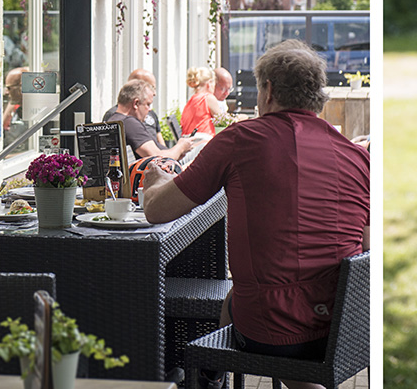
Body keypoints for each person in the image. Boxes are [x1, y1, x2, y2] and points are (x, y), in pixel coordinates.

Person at [142, 40, 369, 389]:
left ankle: (210, 376)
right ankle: (213, 374)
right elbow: (365, 251)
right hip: (348, 329)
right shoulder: (357, 156)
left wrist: (153, 179)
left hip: (277, 333)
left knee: (253, 305)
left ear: (268, 90)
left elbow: (157, 210)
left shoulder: (240, 140)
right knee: (242, 297)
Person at [106, 78, 193, 162]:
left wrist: (176, 152)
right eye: (148, 104)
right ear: (136, 103)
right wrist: (181, 147)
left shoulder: (115, 119)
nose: (150, 109)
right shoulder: (129, 123)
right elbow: (157, 158)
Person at [103, 68, 164, 143]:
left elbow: (159, 137)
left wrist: (167, 153)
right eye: (151, 88)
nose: (154, 93)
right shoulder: (115, 116)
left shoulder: (150, 112)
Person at [179, 66, 226, 137]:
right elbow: (223, 121)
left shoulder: (192, 99)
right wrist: (239, 119)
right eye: (214, 84)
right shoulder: (208, 98)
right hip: (204, 140)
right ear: (209, 84)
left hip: (188, 139)